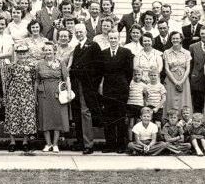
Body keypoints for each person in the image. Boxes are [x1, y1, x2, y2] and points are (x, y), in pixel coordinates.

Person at [99, 30, 133, 153]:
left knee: (120, 117)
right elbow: (101, 72)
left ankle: (121, 145)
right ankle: (110, 144)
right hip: (108, 89)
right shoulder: (103, 53)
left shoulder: (126, 52)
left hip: (121, 89)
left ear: (119, 39)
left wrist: (123, 84)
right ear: (108, 39)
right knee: (109, 117)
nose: (113, 40)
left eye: (115, 38)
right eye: (111, 38)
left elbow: (129, 73)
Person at [70, 23, 101, 154]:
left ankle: (89, 144)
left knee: (85, 112)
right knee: (77, 113)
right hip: (76, 84)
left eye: (80, 31)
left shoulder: (93, 45)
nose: (78, 34)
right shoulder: (77, 48)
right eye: (76, 32)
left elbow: (99, 66)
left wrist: (93, 84)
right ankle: (81, 142)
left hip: (87, 84)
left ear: (86, 32)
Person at [35, 42, 71, 153]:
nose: (48, 52)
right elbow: (37, 80)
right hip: (44, 93)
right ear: (43, 52)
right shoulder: (40, 64)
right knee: (44, 118)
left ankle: (55, 144)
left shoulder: (60, 63)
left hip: (57, 93)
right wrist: (34, 94)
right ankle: (48, 144)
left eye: (50, 50)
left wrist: (69, 92)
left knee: (57, 118)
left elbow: (67, 78)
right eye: (46, 50)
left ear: (54, 51)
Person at [163, 31, 192, 114]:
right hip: (171, 79)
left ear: (181, 39)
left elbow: (188, 69)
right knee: (170, 100)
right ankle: (170, 121)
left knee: (183, 101)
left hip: (184, 79)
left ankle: (184, 121)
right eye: (173, 38)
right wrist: (176, 82)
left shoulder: (187, 53)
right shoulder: (166, 52)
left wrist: (181, 82)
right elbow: (166, 69)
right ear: (171, 40)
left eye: (177, 38)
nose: (175, 40)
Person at [188, 27, 205, 114]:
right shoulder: (193, 46)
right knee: (197, 104)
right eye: (202, 34)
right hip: (197, 78)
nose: (204, 36)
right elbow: (190, 64)